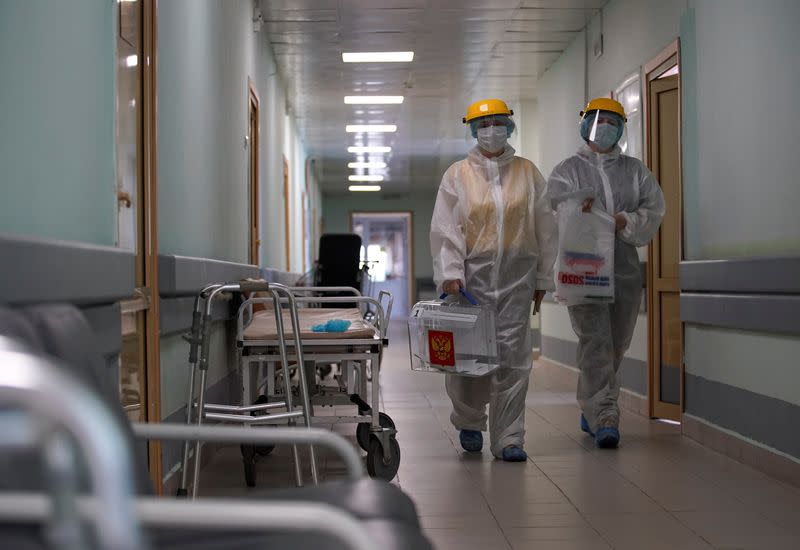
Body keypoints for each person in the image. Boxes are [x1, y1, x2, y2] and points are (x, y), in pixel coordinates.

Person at [430, 99, 557, 462]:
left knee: (515, 360)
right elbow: (445, 229)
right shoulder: (457, 175)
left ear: (509, 127)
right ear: (472, 130)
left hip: (518, 279)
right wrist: (451, 273)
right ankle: (470, 420)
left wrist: (544, 276)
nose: (491, 130)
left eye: (498, 123)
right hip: (472, 282)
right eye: (483, 125)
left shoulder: (528, 173)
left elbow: (546, 228)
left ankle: (510, 438)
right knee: (470, 359)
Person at [548, 98, 666, 449]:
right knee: (595, 341)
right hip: (582, 269)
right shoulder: (566, 170)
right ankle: (605, 416)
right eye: (598, 120)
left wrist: (622, 221)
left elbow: (654, 209)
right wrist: (576, 211)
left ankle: (593, 404)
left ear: (622, 127)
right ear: (584, 124)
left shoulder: (635, 171)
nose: (604, 126)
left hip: (624, 269)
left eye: (613, 121)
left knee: (616, 343)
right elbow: (551, 210)